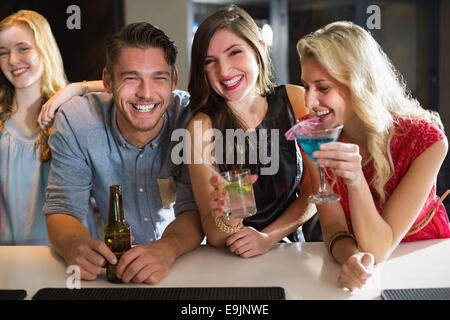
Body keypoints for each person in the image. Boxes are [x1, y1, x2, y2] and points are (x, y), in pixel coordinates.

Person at [43, 22, 203, 284]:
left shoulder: (192, 120)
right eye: (131, 78)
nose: (145, 93)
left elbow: (193, 209)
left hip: (187, 264)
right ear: (108, 81)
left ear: (173, 80)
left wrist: (168, 248)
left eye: (158, 78)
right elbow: (63, 208)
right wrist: (74, 245)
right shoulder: (76, 120)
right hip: (111, 275)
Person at [296, 21, 450, 291]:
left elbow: (380, 247)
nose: (309, 102)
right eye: (306, 87)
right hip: (368, 275)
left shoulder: (426, 141)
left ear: (358, 83)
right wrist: (353, 258)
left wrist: (355, 179)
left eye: (322, 88)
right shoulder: (314, 135)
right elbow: (333, 227)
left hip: (425, 267)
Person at [186, 5, 316, 258]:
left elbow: (315, 192)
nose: (223, 71)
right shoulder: (202, 128)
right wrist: (230, 211)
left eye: (234, 52)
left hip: (296, 251)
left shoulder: (295, 99)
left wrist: (268, 238)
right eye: (210, 62)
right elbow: (214, 235)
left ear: (260, 50)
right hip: (236, 259)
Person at [0, 10, 101, 245]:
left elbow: (132, 90)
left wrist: (77, 88)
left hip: (76, 257)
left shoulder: (74, 113)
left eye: (23, 48)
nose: (13, 60)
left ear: (44, 49)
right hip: (14, 262)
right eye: (3, 53)